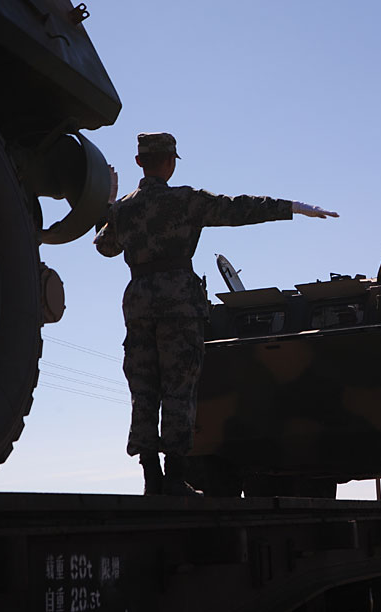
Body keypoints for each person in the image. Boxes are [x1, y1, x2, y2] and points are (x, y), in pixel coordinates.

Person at [94, 132, 338, 495]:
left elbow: (105, 246)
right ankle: (174, 477)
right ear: (171, 162)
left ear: (139, 162)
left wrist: (108, 206)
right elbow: (238, 209)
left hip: (139, 303)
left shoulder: (124, 209)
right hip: (179, 304)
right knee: (178, 387)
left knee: (143, 389)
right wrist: (293, 207)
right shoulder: (185, 200)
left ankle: (151, 477)